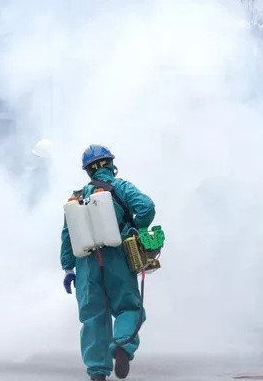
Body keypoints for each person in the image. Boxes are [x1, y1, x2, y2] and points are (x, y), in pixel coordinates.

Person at [61, 144, 155, 380]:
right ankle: (122, 345)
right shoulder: (120, 187)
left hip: (85, 266)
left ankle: (97, 371)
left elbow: (67, 235)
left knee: (93, 317)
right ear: (111, 165)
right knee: (128, 308)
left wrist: (67, 268)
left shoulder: (77, 197)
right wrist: (135, 228)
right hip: (117, 259)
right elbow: (146, 207)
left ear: (88, 171)